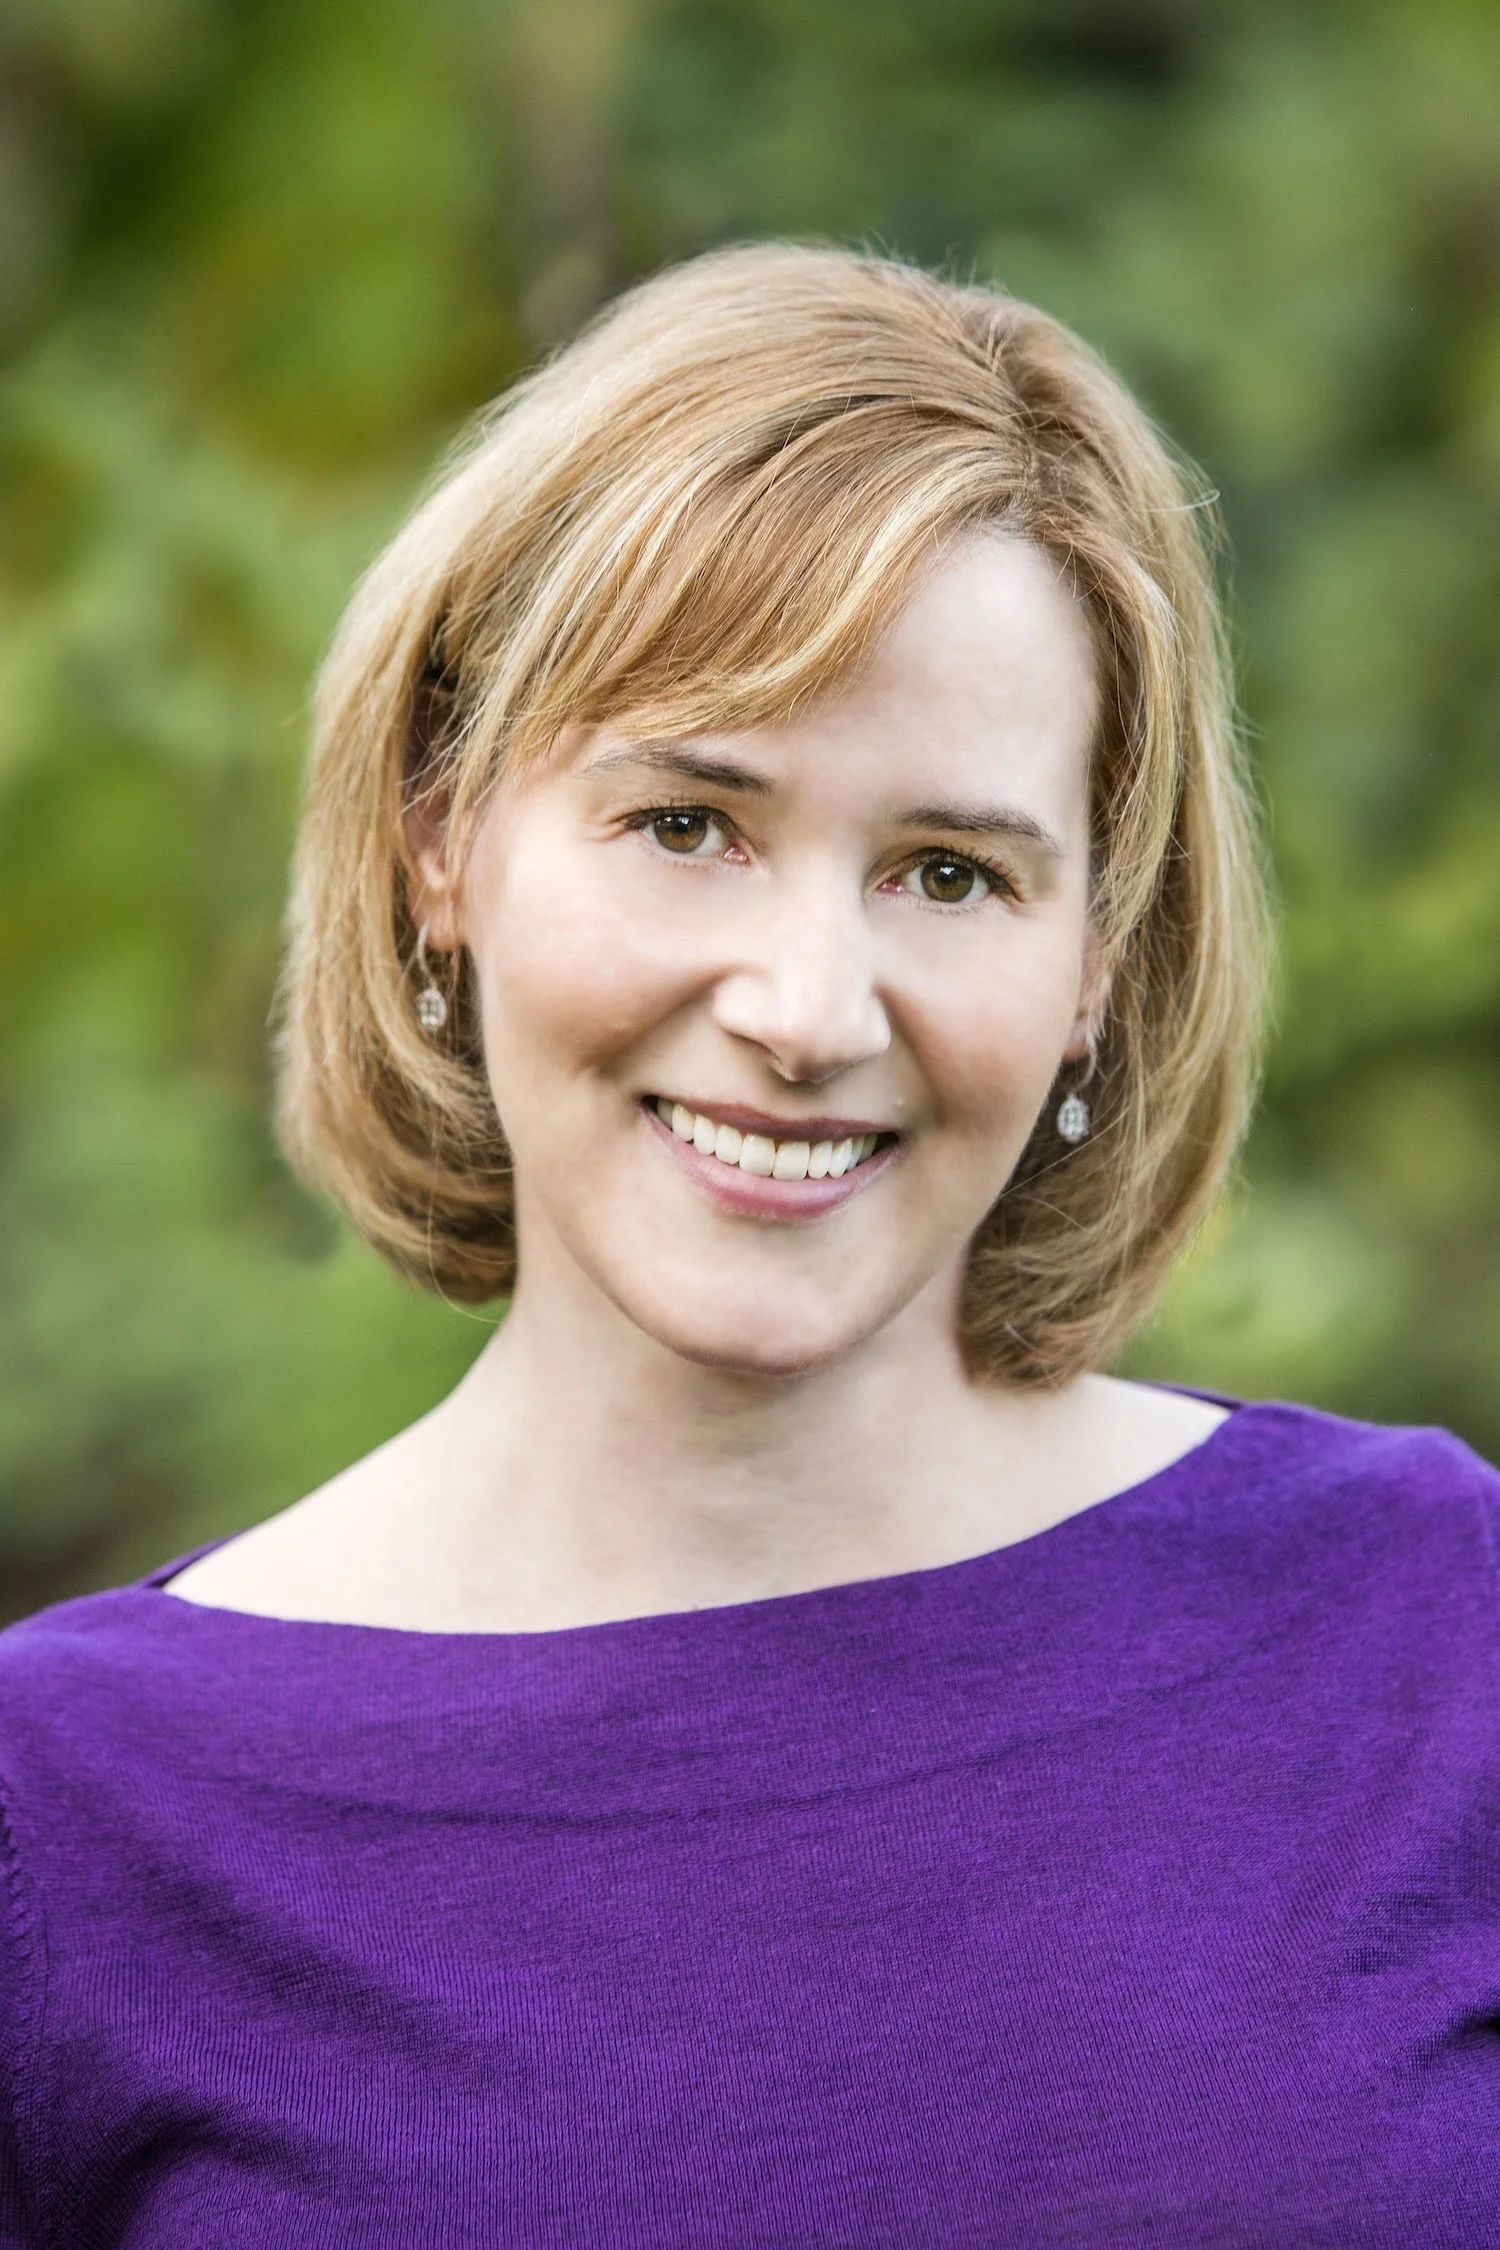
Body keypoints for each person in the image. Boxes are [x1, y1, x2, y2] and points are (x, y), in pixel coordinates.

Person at [1, 244, 1496, 2249]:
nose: (807, 1006)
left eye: (950, 872)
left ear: (1094, 969)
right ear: (443, 839)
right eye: (689, 821)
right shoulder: (79, 1813)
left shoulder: (1420, 1626)